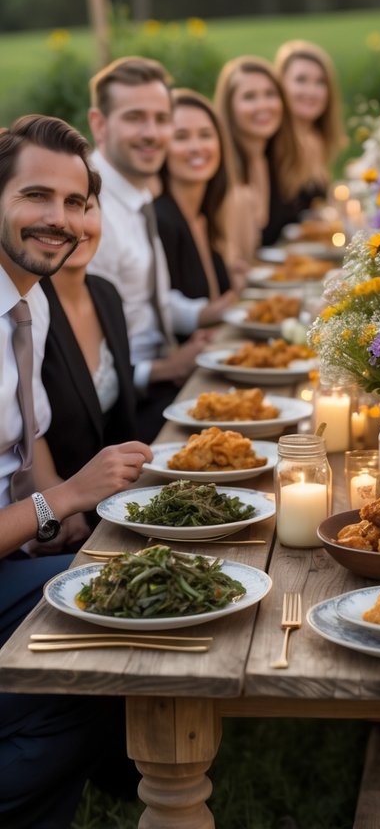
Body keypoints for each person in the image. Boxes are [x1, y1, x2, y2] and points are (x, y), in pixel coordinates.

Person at [0, 114, 152, 829]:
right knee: (104, 672)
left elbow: (26, 443)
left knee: (146, 596)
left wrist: (68, 515)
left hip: (22, 550)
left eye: (74, 201)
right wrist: (61, 500)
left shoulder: (24, 303)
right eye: (36, 197)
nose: (57, 221)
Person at [86, 57, 211, 442]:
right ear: (99, 124)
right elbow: (83, 347)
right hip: (127, 413)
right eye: (135, 117)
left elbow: (143, 298)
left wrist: (207, 312)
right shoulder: (90, 210)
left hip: (161, 381)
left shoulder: (136, 193)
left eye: (161, 118)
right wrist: (162, 369)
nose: (152, 133)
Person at [40, 188, 137, 539]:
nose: (76, 225)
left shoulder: (106, 294)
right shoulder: (29, 308)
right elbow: (28, 432)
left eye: (84, 207)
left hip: (118, 503)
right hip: (63, 519)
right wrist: (61, 505)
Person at [154, 89, 238, 339]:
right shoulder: (161, 220)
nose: (196, 147)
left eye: (205, 135)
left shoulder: (204, 215)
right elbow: (159, 311)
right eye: (181, 137)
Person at [214, 55, 298, 254]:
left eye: (270, 94)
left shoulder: (276, 160)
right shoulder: (220, 172)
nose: (263, 105)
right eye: (249, 97)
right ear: (229, 107)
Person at [274, 39, 345, 210]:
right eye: (301, 80)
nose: (311, 91)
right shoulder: (271, 144)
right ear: (280, 85)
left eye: (320, 82)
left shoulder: (316, 139)